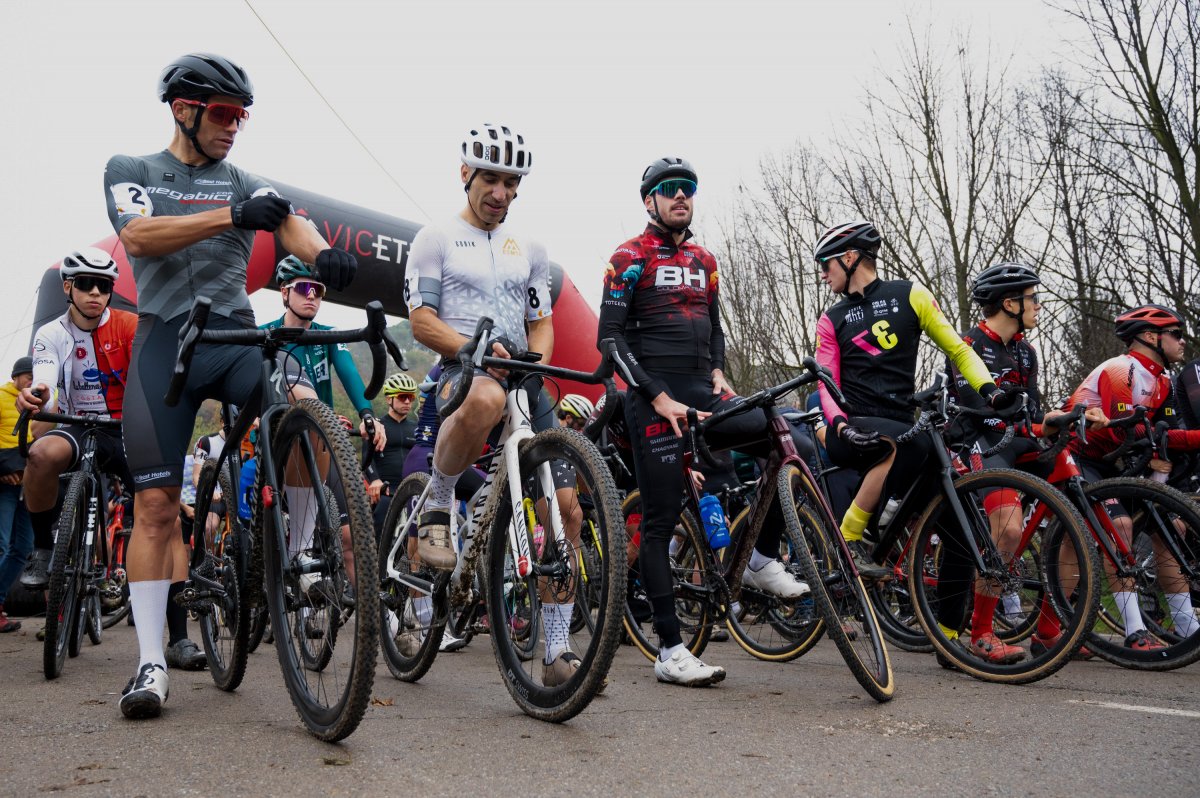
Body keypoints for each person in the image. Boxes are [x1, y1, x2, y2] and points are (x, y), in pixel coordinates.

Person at [100, 53, 357, 720]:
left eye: (240, 117)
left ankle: (301, 555)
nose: (232, 127)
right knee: (156, 506)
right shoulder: (133, 171)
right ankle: (151, 663)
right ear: (183, 111)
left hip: (235, 337)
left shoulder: (244, 179)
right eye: (221, 114)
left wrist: (322, 250)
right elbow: (140, 236)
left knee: (300, 417)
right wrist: (230, 215)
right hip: (166, 343)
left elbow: (290, 222)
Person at [598, 156, 812, 688]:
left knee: (795, 442)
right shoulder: (628, 256)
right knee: (660, 520)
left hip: (704, 391)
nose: (680, 197)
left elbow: (715, 327)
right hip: (653, 399)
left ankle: (760, 558)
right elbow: (609, 340)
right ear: (649, 200)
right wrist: (656, 396)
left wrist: (719, 368)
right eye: (669, 189)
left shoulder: (705, 259)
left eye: (687, 189)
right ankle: (670, 651)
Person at [405, 123, 589, 684]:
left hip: (522, 381)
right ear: (466, 174)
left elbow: (542, 324)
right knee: (485, 394)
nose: (500, 192)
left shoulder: (530, 250)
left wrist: (533, 362)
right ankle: (437, 498)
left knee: (567, 510)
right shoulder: (434, 238)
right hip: (463, 370)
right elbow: (420, 322)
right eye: (490, 179)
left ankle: (556, 650)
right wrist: (477, 351)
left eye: (511, 183)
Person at [813, 220, 1019, 586]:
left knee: (960, 522)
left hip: (900, 422)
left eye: (825, 265)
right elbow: (825, 382)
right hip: (853, 426)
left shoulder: (910, 295)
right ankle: (849, 536)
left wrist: (991, 392)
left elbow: (958, 349)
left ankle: (952, 634)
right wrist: (840, 424)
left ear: (849, 258)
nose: (823, 276)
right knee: (908, 440)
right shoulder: (831, 319)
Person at [1060, 304, 1200, 650]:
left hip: (1116, 462)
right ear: (1152, 337)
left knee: (1171, 529)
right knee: (1119, 526)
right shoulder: (1121, 370)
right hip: (1080, 455)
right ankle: (1134, 630)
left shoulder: (1163, 380)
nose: (1184, 342)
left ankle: (1188, 628)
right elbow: (1134, 432)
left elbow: (1164, 434)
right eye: (1177, 335)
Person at [0, 357, 35, 632]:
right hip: (3, 482)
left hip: (28, 483)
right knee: (1, 545)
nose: (31, 381)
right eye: (27, 376)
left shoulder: (40, 406)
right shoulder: (1, 397)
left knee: (23, 547)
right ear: (16, 377)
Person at [371, 373, 418, 531]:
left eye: (410, 398)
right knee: (380, 531)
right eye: (402, 397)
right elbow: (367, 459)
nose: (407, 402)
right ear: (388, 399)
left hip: (412, 492)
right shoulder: (378, 426)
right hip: (387, 492)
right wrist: (374, 480)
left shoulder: (416, 428)